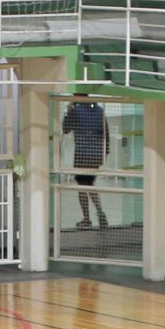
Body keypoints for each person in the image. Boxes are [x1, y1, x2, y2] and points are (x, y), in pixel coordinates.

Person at [61, 96, 110, 230]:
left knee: (82, 186)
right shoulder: (100, 111)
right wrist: (105, 153)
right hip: (96, 154)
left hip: (82, 154)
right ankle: (100, 212)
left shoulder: (76, 110)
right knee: (90, 184)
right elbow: (106, 132)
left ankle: (87, 218)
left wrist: (68, 111)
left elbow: (66, 129)